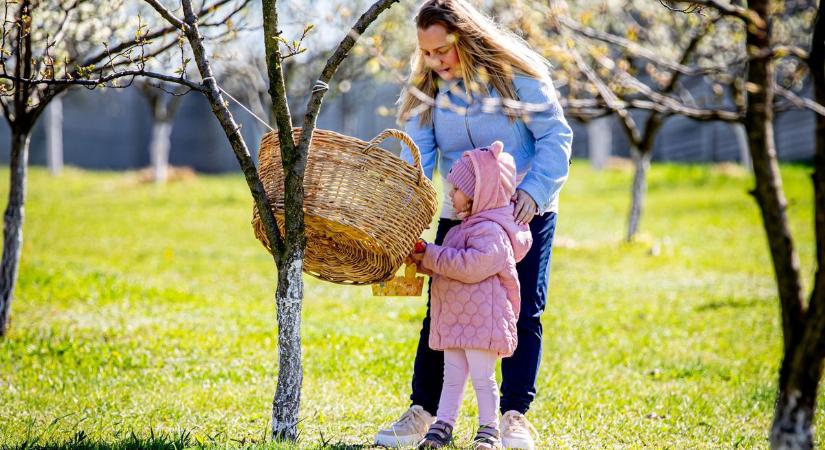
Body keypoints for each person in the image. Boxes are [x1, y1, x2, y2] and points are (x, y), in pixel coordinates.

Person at [374, 0, 573, 448]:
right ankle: (423, 412)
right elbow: (418, 157)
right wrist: (404, 217)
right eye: (426, 52)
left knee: (521, 311)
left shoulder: (514, 76)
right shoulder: (429, 91)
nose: (435, 61)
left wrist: (534, 192)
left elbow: (556, 137)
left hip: (521, 214)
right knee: (441, 311)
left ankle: (514, 416)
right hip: (460, 215)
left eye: (443, 50)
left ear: (467, 38)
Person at [409, 142, 532, 450]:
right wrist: (423, 261)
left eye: (457, 189)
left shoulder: (492, 232)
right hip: (458, 319)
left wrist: (432, 255)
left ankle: (490, 429)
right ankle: (443, 424)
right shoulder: (462, 229)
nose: (451, 195)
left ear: (482, 192)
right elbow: (449, 265)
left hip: (484, 321)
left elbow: (472, 265)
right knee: (452, 377)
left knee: (482, 378)